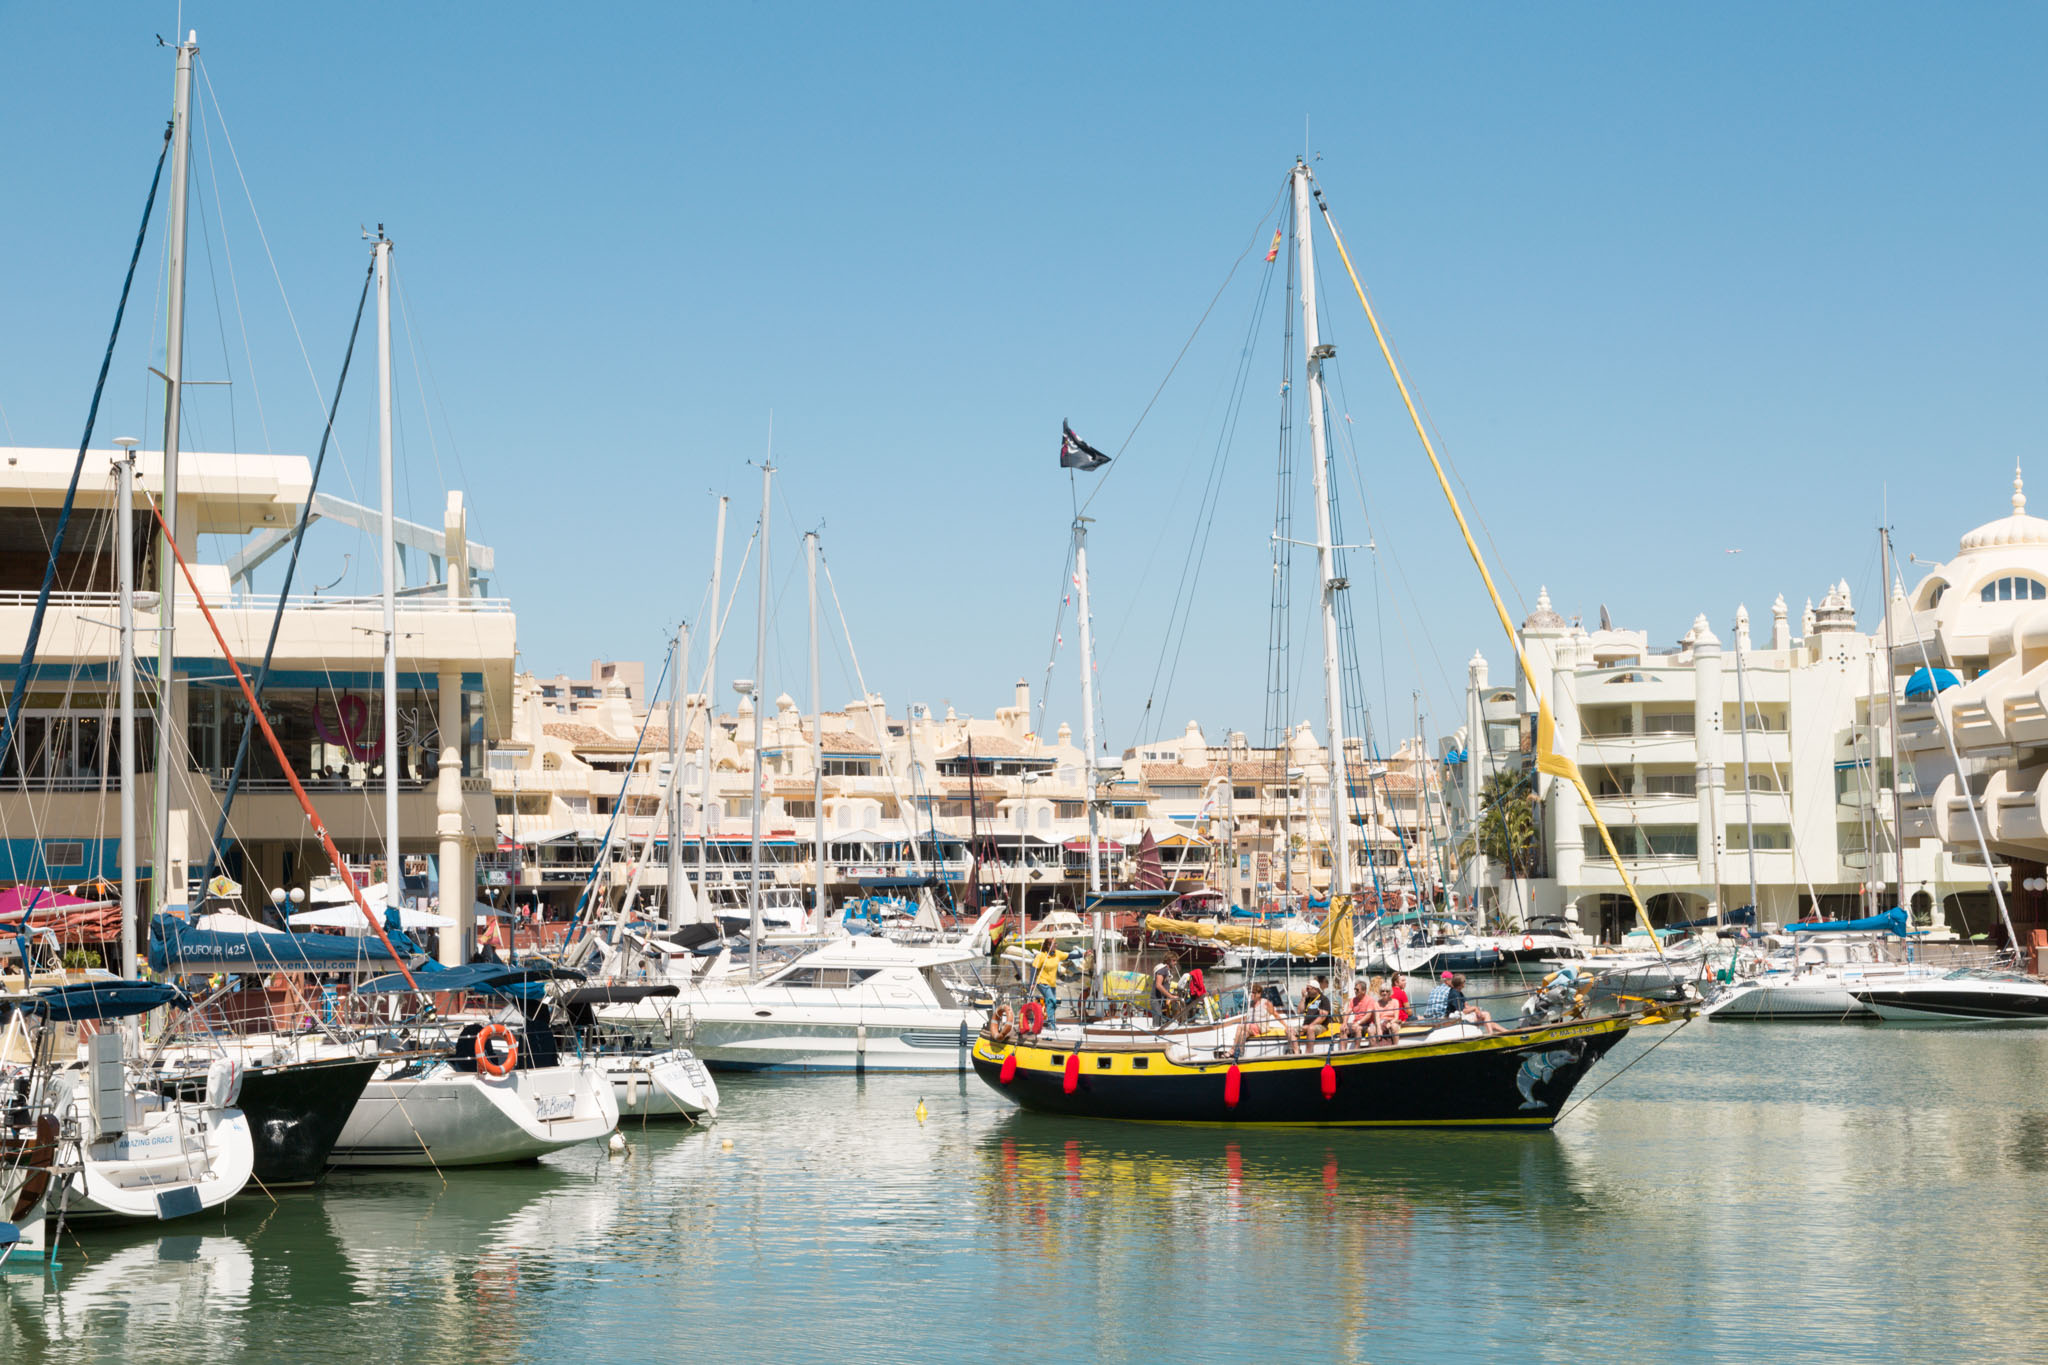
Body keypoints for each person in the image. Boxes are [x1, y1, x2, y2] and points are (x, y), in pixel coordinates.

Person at [1151, 959, 1177, 1026]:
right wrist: (1170, 996)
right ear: (1168, 961)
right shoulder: (1163, 970)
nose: (1175, 963)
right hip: (1156, 999)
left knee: (1162, 1018)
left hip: (1162, 999)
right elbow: (1158, 985)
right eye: (1174, 961)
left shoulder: (1167, 970)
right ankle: (1156, 1034)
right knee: (1158, 1017)